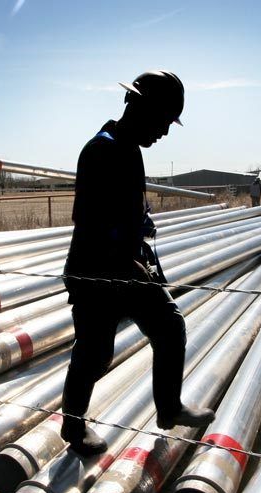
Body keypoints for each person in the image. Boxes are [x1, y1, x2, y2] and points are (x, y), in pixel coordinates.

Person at [61, 70, 215, 456]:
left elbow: (127, 213)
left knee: (170, 328)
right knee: (94, 354)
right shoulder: (102, 150)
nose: (164, 132)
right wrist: (125, 256)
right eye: (163, 121)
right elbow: (91, 223)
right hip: (96, 272)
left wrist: (141, 235)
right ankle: (73, 426)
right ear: (141, 109)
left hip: (129, 269)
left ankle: (169, 407)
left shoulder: (130, 149)